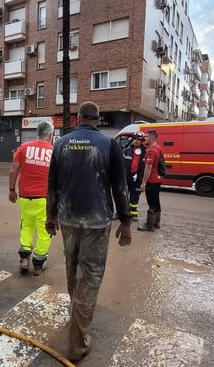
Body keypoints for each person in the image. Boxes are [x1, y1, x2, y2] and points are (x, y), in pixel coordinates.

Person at [46, 102, 132, 362]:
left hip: (68, 218)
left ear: (78, 118)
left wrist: (50, 216)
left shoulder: (61, 144)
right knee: (90, 276)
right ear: (98, 119)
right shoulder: (109, 144)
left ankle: (76, 319)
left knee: (72, 269)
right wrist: (126, 222)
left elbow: (52, 185)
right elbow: (121, 187)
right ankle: (78, 343)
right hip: (96, 221)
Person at [9, 121, 54, 275]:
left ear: (37, 133)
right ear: (50, 134)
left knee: (26, 226)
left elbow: (13, 171)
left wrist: (11, 190)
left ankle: (24, 258)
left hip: (24, 197)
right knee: (44, 231)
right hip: (44, 199)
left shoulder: (23, 148)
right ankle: (39, 264)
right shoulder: (53, 151)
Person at [138, 130, 164, 232]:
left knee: (151, 203)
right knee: (156, 201)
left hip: (151, 180)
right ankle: (157, 224)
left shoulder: (151, 150)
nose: (145, 138)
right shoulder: (158, 148)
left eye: (147, 136)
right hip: (158, 179)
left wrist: (144, 182)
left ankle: (149, 226)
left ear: (153, 138)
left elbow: (148, 167)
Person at [123, 131, 147, 222]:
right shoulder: (126, 151)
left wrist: (143, 181)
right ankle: (120, 212)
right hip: (126, 177)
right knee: (123, 196)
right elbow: (121, 165)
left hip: (138, 179)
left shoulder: (146, 152)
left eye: (138, 139)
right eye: (134, 139)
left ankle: (133, 213)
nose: (136, 141)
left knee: (135, 197)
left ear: (142, 141)